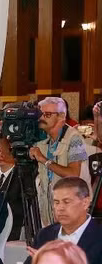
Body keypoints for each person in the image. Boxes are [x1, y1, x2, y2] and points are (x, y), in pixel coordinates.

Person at [25, 177, 102, 264]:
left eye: (66, 202)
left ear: (85, 203)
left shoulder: (98, 235)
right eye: (56, 202)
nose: (60, 208)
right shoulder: (45, 234)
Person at [31, 96, 89, 226]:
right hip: (50, 211)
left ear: (61, 116)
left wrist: (44, 160)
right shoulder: (43, 141)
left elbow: (73, 174)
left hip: (71, 210)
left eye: (47, 114)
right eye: (40, 114)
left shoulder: (74, 138)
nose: (41, 118)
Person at [0, 138, 23, 241]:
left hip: (12, 228)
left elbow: (20, 208)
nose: (0, 154)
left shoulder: (21, 176)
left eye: (5, 151)